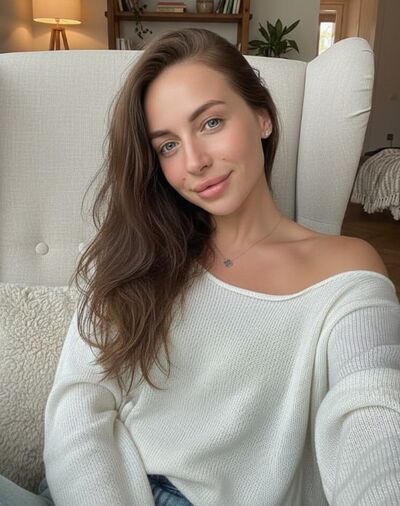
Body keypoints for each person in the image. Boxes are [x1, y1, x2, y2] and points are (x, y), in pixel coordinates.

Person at [1, 27, 399, 506]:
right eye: (167, 145)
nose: (194, 161)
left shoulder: (344, 267)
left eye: (211, 123)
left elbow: (372, 409)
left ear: (262, 117)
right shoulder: (135, 252)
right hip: (94, 488)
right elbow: (78, 406)